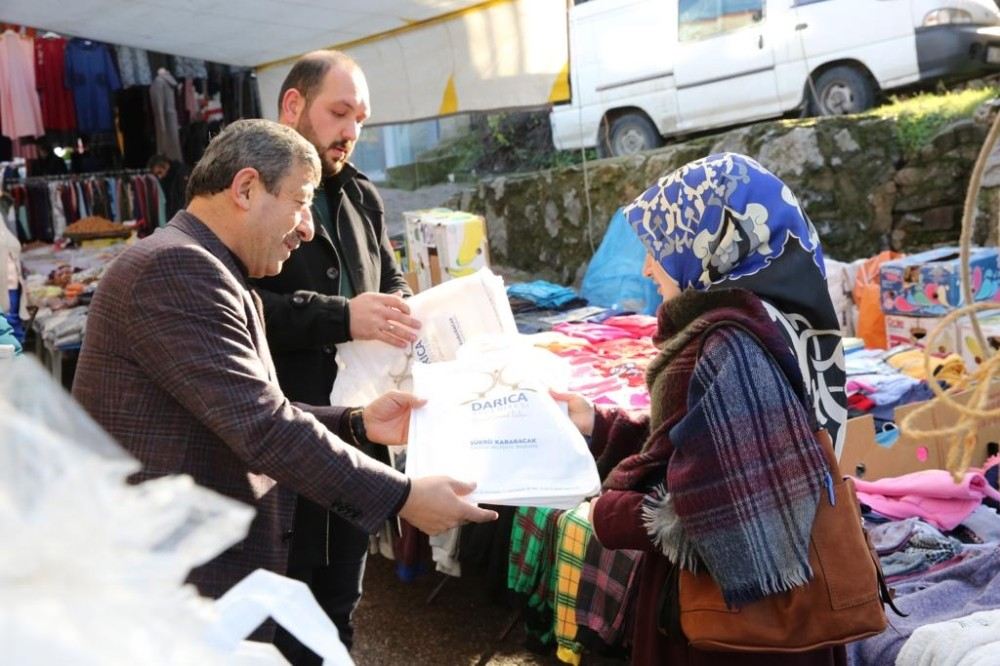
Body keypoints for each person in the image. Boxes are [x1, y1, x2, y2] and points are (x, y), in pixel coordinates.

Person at [71, 120, 497, 641]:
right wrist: (402, 496)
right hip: (174, 582)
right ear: (245, 188)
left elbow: (247, 411)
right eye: (300, 202)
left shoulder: (207, 266)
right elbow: (264, 428)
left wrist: (358, 422)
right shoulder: (178, 268)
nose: (307, 228)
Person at [554, 153, 848, 665]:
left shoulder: (729, 346)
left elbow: (716, 519)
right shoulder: (774, 319)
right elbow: (702, 444)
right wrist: (598, 424)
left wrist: (602, 513)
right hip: (770, 618)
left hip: (736, 638)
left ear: (705, 243)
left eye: (658, 249)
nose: (647, 267)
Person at [251, 50, 420, 659]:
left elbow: (392, 278)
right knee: (282, 610)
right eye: (339, 112)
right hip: (283, 433)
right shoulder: (249, 197)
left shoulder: (361, 195)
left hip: (359, 432)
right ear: (293, 106)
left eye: (361, 118)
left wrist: (402, 309)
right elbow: (241, 306)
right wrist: (343, 315)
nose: (352, 131)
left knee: (342, 601)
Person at [148, 153, 189, 219]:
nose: (159, 176)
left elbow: (184, 198)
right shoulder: (164, 179)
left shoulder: (181, 173)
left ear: (164, 165)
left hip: (183, 217)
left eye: (159, 172)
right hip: (174, 218)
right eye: (157, 174)